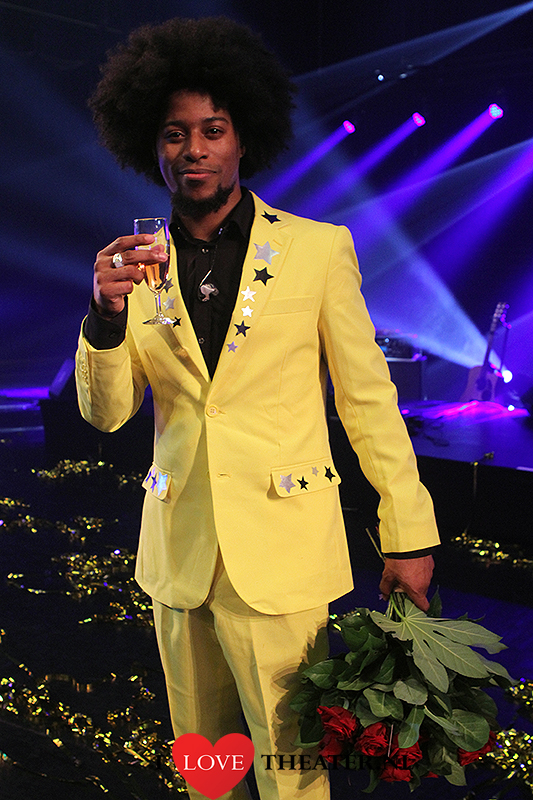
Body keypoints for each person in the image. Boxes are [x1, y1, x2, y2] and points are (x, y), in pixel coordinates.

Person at [75, 16, 440, 800]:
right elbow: (107, 416)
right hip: (179, 558)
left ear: (244, 136)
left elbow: (368, 403)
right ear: (151, 146)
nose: (194, 149)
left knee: (290, 772)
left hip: (281, 557)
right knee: (208, 770)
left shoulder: (316, 249)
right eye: (175, 133)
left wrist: (407, 533)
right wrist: (103, 318)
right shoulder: (135, 267)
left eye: (213, 129)